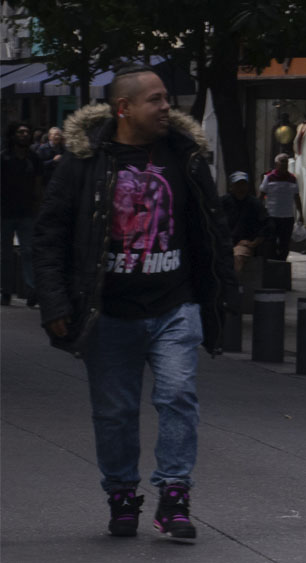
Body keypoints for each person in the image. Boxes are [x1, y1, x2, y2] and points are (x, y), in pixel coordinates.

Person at [31, 64, 240, 540]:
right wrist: (55, 303)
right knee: (115, 413)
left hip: (175, 305)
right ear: (124, 108)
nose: (167, 106)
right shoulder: (83, 161)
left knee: (178, 396)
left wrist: (223, 291)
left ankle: (175, 494)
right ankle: (122, 493)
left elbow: (212, 228)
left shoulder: (185, 156)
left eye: (167, 98)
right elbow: (50, 236)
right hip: (108, 312)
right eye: (156, 99)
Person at [1, 122, 43, 307]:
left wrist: (39, 207)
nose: (24, 135)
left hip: (27, 212)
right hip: (5, 212)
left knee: (29, 251)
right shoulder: (4, 158)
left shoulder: (34, 158)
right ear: (13, 135)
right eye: (20, 132)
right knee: (5, 254)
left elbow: (39, 185)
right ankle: (6, 291)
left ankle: (32, 290)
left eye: (27, 132)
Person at [222, 171, 273, 273]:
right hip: (224, 243)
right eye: (237, 185)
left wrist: (254, 243)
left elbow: (267, 225)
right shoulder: (223, 202)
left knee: (237, 257)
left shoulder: (254, 204)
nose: (241, 188)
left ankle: (233, 282)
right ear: (231, 187)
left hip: (243, 244)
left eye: (243, 185)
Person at [258, 153, 303, 261]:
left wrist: (301, 214)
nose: (284, 164)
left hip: (287, 217)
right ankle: (272, 263)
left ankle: (281, 263)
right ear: (276, 164)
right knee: (271, 242)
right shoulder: (269, 178)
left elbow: (297, 197)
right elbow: (261, 196)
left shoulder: (293, 179)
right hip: (272, 216)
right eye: (282, 161)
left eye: (286, 162)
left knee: (285, 243)